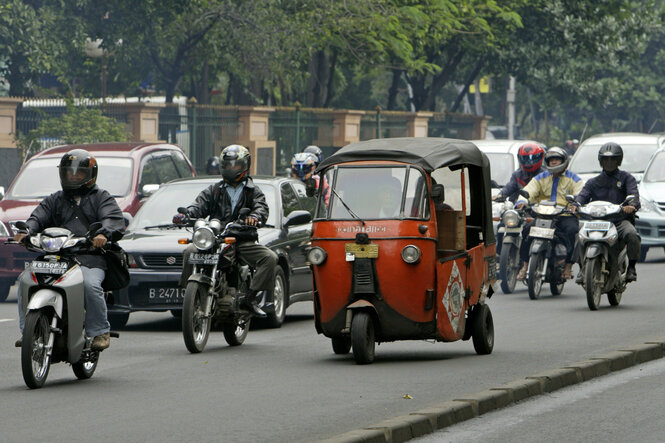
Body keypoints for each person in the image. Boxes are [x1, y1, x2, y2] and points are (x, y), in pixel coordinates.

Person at [14, 149, 125, 350]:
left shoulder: (102, 197)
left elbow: (113, 219)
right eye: (69, 172)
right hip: (56, 257)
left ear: (91, 174)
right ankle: (28, 332)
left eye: (79, 173)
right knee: (24, 280)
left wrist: (103, 235)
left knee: (91, 285)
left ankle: (100, 331)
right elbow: (37, 217)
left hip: (89, 257)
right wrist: (26, 231)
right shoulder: (55, 199)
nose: (73, 176)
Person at [174, 144, 277, 317]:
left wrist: (254, 217)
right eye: (227, 164)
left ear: (244, 165)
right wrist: (187, 215)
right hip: (216, 238)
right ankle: (188, 296)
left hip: (242, 239)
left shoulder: (253, 191)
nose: (231, 168)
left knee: (270, 258)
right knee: (190, 251)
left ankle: (250, 298)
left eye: (235, 165)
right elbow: (198, 205)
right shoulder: (214, 190)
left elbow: (261, 209)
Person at [574, 142, 641, 282]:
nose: (609, 162)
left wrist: (632, 205)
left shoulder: (627, 178)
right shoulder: (593, 182)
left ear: (619, 161)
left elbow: (634, 196)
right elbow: (582, 196)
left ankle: (632, 268)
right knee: (578, 235)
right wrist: (575, 205)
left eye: (613, 159)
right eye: (605, 159)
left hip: (619, 221)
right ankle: (581, 268)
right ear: (601, 161)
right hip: (595, 222)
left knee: (632, 234)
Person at [515, 147, 584, 280]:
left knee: (572, 231)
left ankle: (568, 265)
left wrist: (575, 205)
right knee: (526, 231)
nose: (554, 162)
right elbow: (528, 191)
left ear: (564, 161)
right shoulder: (540, 178)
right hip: (543, 215)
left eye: (557, 159)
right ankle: (525, 265)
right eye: (551, 160)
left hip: (565, 216)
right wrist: (521, 202)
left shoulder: (574, 179)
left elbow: (580, 194)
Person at [492, 142, 545, 254]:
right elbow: (509, 187)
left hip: (537, 210)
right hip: (519, 209)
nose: (528, 162)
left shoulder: (545, 175)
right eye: (525, 159)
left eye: (532, 159)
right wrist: (500, 195)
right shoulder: (517, 175)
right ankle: (499, 256)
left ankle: (531, 256)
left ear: (540, 158)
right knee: (502, 225)